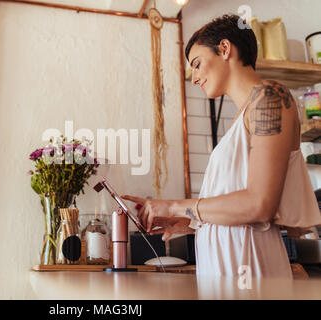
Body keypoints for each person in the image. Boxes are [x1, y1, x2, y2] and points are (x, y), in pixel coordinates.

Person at [122, 14, 321, 278]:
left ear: (225, 49)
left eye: (197, 63)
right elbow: (240, 207)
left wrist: (173, 206)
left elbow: (259, 204)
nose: (194, 78)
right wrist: (190, 221)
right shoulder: (238, 123)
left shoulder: (270, 97)